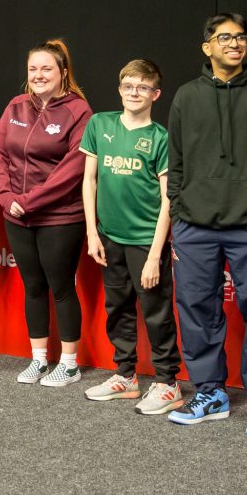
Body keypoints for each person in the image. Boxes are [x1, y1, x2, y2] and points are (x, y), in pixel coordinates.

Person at [166, 12, 247, 435]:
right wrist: (178, 205)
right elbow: (175, 160)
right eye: (224, 38)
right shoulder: (186, 96)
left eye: (240, 38)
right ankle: (210, 392)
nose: (234, 44)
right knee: (197, 309)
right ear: (208, 47)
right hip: (194, 225)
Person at [81, 59, 185, 414]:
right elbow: (89, 180)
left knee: (156, 313)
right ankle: (125, 375)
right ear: (120, 89)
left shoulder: (160, 138)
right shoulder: (100, 124)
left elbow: (169, 198)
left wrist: (156, 254)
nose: (134, 92)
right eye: (128, 86)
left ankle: (168, 382)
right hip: (109, 238)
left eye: (142, 87)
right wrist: (92, 232)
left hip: (145, 241)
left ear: (155, 94)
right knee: (118, 308)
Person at [0, 39, 92, 387]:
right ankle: (38, 359)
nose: (38, 75)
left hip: (60, 217)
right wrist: (5, 197)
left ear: (63, 72)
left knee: (60, 287)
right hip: (16, 214)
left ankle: (69, 363)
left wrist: (30, 200)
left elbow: (74, 168)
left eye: (46, 68)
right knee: (32, 286)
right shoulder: (16, 106)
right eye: (33, 69)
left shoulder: (79, 111)